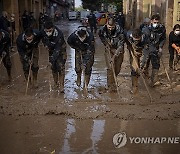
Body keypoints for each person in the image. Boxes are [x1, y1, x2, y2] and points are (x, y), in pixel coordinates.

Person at [99, 18, 125, 92]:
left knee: (117, 68)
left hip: (118, 49)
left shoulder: (120, 30)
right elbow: (101, 36)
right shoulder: (102, 29)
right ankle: (110, 85)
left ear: (115, 25)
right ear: (107, 24)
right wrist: (106, 44)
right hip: (109, 49)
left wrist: (116, 54)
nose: (110, 29)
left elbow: (121, 43)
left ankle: (113, 80)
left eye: (112, 27)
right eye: (109, 27)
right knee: (110, 68)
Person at [41, 21, 67, 93]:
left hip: (60, 49)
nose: (48, 32)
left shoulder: (59, 34)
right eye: (47, 31)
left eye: (50, 31)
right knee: (53, 67)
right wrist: (46, 44)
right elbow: (43, 39)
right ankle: (56, 83)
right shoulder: (43, 31)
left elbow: (57, 50)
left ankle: (61, 85)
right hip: (51, 48)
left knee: (60, 67)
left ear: (53, 28)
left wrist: (51, 61)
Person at [142, 14, 166, 87]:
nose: (156, 24)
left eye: (158, 22)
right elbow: (145, 40)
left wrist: (161, 47)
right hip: (147, 47)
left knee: (156, 64)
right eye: (155, 22)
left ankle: (154, 81)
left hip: (156, 47)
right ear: (151, 21)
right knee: (145, 62)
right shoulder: (146, 29)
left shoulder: (162, 29)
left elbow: (163, 38)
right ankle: (144, 72)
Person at [126, 29, 147, 94]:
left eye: (138, 40)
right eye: (135, 40)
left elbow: (146, 52)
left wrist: (142, 64)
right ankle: (134, 86)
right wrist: (129, 46)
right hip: (133, 50)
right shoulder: (128, 35)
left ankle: (142, 73)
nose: (136, 41)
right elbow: (124, 40)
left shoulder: (145, 38)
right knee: (134, 68)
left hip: (142, 50)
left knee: (141, 67)